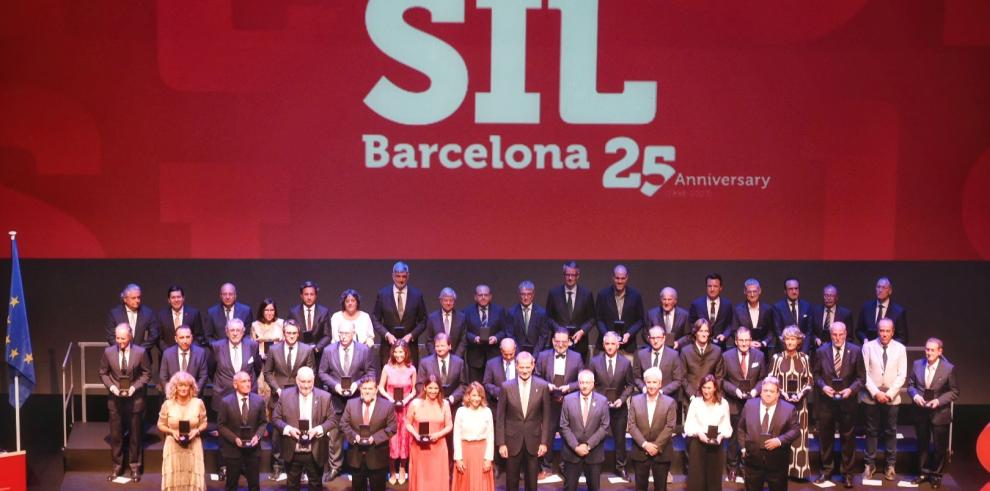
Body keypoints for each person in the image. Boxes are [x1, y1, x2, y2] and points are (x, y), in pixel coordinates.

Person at [318, 322, 377, 482]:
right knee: (335, 436)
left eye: (346, 333)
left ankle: (356, 468)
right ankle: (335, 468)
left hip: (357, 399)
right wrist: (335, 385)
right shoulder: (329, 350)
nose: (343, 336)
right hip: (335, 400)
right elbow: (322, 372)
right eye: (341, 333)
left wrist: (356, 385)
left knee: (356, 434)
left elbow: (371, 372)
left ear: (353, 333)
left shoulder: (364, 350)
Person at [812, 321, 864, 488]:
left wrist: (850, 390)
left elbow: (861, 378)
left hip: (847, 402)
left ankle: (847, 474)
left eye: (841, 334)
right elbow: (816, 375)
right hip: (826, 403)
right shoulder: (821, 351)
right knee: (825, 438)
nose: (837, 338)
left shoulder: (856, 351)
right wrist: (823, 386)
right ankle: (826, 471)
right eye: (834, 334)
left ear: (846, 333)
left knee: (848, 439)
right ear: (830, 334)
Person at [262, 320, 316, 479]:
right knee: (278, 433)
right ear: (283, 334)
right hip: (278, 395)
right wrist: (277, 389)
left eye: (294, 333)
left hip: (301, 396)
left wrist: (302, 389)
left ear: (298, 334)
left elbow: (312, 372)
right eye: (288, 333)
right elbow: (267, 372)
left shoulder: (307, 350)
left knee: (300, 429)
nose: (291, 336)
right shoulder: (274, 349)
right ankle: (277, 466)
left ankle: (301, 468)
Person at [99, 323, 151, 482]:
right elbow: (103, 373)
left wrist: (134, 388)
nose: (120, 341)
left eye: (123, 338)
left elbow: (146, 374)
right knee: (116, 436)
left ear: (130, 336)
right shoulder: (108, 352)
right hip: (115, 401)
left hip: (135, 400)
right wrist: (112, 387)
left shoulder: (141, 352)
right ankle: (117, 468)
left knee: (135, 435)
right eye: (117, 338)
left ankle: (135, 468)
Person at [272, 367, 335, 491]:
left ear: (314, 380)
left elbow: (332, 420)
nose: (306, 385)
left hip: (315, 449)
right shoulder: (285, 395)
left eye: (309, 381)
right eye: (302, 381)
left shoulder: (325, 397)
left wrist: (318, 429)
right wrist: (289, 429)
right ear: (296, 380)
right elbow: (275, 418)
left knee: (316, 485)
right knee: (292, 486)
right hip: (292, 449)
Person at [496, 351, 552, 491]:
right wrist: (501, 443)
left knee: (532, 482)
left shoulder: (543, 386)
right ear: (516, 366)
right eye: (522, 367)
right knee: (511, 481)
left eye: (528, 367)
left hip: (534, 441)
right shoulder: (506, 387)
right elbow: (500, 417)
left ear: (533, 366)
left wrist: (544, 442)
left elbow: (546, 417)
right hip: (512, 441)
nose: (525, 370)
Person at [908, 338, 959, 489]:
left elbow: (955, 391)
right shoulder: (917, 364)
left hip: (939, 413)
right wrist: (916, 396)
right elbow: (911, 385)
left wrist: (938, 401)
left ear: (940, 351)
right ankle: (923, 473)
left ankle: (936, 475)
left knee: (939, 447)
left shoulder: (949, 368)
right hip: (921, 412)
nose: (928, 352)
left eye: (932, 350)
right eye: (927, 349)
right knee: (922, 445)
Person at [860, 318, 907, 481]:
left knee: (890, 432)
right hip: (871, 398)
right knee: (871, 431)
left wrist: (889, 394)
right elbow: (863, 373)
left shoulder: (900, 349)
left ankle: (890, 465)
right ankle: (869, 464)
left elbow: (902, 374)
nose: (884, 334)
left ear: (892, 332)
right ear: (877, 331)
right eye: (881, 330)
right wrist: (876, 393)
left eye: (887, 331)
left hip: (891, 399)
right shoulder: (868, 347)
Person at [536, 328, 585, 479]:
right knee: (547, 435)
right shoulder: (543, 356)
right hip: (549, 402)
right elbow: (536, 376)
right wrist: (547, 385)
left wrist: (569, 387)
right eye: (558, 341)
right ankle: (546, 467)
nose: (561, 344)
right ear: (552, 341)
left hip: (569, 402)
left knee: (568, 436)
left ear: (569, 342)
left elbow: (582, 379)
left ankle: (566, 467)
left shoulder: (577, 357)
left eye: (564, 341)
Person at [737, 376, 801, 491]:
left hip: (777, 462)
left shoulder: (789, 409)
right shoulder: (749, 405)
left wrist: (779, 440)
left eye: (771, 391)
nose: (768, 394)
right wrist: (743, 448)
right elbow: (741, 428)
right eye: (765, 391)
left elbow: (796, 430)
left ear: (777, 393)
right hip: (753, 461)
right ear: (760, 393)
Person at [721, 326, 767, 482]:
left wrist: (755, 391)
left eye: (747, 340)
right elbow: (722, 380)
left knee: (751, 438)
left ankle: (745, 468)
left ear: (751, 340)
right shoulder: (726, 356)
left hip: (753, 403)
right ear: (735, 341)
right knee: (734, 438)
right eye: (741, 340)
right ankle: (732, 469)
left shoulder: (759, 356)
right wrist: (735, 391)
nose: (744, 343)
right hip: (734, 403)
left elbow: (762, 379)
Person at [768, 325, 813, 480]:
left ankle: (798, 472)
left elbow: (810, 381)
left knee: (799, 437)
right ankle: (781, 471)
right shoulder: (777, 358)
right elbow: (770, 381)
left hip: (800, 406)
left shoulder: (805, 358)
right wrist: (783, 393)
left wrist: (801, 393)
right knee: (782, 436)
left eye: (793, 339)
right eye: (787, 339)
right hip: (781, 404)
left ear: (798, 341)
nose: (790, 342)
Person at [589, 331, 635, 480]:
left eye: (612, 344)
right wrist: (600, 399)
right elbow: (589, 383)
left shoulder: (626, 362)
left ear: (618, 345)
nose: (609, 347)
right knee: (596, 438)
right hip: (599, 407)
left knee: (620, 440)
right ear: (603, 345)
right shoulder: (594, 361)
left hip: (619, 408)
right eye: (607, 344)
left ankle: (620, 467)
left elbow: (630, 385)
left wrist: (622, 399)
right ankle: (593, 467)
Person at [341, 375, 398, 491]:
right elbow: (343, 424)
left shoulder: (387, 406)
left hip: (377, 457)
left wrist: (374, 438)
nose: (367, 391)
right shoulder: (351, 404)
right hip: (356, 457)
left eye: (370, 389)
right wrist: (354, 436)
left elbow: (392, 427)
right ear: (360, 389)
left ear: (376, 389)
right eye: (364, 388)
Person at [559, 370, 610, 491]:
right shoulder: (568, 400)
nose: (585, 385)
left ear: (593, 383)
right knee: (569, 488)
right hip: (572, 453)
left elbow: (605, 426)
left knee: (594, 488)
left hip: (594, 453)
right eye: (582, 382)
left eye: (587, 382)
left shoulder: (602, 401)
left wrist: (588, 445)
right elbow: (563, 426)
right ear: (578, 383)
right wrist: (576, 446)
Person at [627, 367, 677, 491]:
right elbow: (631, 425)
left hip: (661, 452)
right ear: (645, 383)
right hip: (640, 451)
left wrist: (655, 446)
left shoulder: (670, 402)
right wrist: (645, 445)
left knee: (661, 488)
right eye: (648, 382)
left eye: (654, 382)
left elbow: (670, 426)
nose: (651, 385)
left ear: (660, 384)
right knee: (640, 488)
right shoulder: (635, 400)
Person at [372, 261, 428, 367]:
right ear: (393, 276)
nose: (401, 280)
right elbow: (375, 319)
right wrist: (387, 335)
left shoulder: (417, 295)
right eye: (398, 276)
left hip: (410, 347)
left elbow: (423, 320)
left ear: (408, 276)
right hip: (388, 347)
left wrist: (411, 335)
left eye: (403, 276)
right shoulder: (383, 294)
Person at [158, 371, 208, 491]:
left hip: (193, 445)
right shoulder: (167, 404)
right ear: (175, 387)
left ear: (191, 387)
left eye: (186, 385)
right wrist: (171, 431)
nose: (184, 388)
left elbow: (204, 423)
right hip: (173, 445)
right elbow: (160, 424)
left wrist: (196, 431)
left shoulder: (198, 403)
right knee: (174, 476)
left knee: (193, 477)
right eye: (181, 385)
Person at [216, 371, 265, 491]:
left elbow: (263, 423)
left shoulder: (259, 401)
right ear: (235, 384)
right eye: (244, 381)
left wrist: (257, 436)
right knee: (231, 485)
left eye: (249, 381)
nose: (248, 384)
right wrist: (235, 439)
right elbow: (221, 425)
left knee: (254, 486)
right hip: (233, 451)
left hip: (253, 451)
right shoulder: (226, 402)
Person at [684, 374, 732, 491]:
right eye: (704, 387)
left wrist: (721, 436)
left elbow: (727, 426)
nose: (706, 391)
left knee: (714, 478)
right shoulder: (695, 402)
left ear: (715, 388)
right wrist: (699, 433)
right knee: (697, 477)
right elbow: (688, 425)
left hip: (716, 442)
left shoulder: (723, 403)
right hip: (698, 442)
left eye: (709, 388)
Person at [406, 375, 454, 491]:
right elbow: (408, 423)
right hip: (419, 448)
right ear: (425, 388)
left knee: (437, 479)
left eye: (436, 388)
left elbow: (449, 426)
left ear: (439, 389)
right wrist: (416, 435)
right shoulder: (415, 403)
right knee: (421, 479)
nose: (433, 391)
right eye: (430, 388)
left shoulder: (444, 404)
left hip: (438, 448)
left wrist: (438, 435)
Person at [380, 341, 417, 484]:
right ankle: (392, 470)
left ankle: (402, 468)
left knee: (404, 438)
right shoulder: (387, 368)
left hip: (406, 408)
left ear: (406, 352)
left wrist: (407, 399)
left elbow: (414, 389)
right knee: (392, 439)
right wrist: (390, 398)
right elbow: (381, 388)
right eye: (396, 352)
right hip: (390, 409)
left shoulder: (411, 369)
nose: (399, 355)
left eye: (401, 352)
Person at [545, 261, 596, 363]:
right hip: (558, 344)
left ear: (578, 276)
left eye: (573, 275)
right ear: (564, 275)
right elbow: (547, 317)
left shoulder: (586, 294)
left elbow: (592, 318)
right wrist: (559, 331)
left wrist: (582, 331)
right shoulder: (554, 293)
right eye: (567, 275)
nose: (570, 278)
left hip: (580, 345)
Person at [210, 318, 260, 414]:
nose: (235, 333)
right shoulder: (217, 347)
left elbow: (257, 368)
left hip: (247, 395)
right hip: (223, 394)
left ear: (243, 332)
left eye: (238, 330)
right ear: (227, 332)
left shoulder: (252, 345)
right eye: (232, 330)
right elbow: (211, 369)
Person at [596, 265, 646, 358]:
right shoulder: (603, 295)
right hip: (606, 346)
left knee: (627, 372)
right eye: (617, 278)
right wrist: (607, 335)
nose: (620, 281)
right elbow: (598, 319)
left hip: (628, 347)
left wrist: (629, 333)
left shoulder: (635, 295)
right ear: (613, 277)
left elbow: (640, 320)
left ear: (627, 278)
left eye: (622, 278)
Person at [452, 382, 496, 491]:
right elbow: (456, 436)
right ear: (468, 396)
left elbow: (490, 437)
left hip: (481, 453)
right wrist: (458, 458)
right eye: (474, 395)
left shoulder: (487, 412)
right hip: (465, 452)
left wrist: (488, 459)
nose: (476, 399)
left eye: (479, 396)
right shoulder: (461, 411)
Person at [464, 284, 509, 382]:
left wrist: (496, 338)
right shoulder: (467, 311)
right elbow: (465, 332)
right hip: (475, 357)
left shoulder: (499, 310)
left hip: (494, 356)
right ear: (475, 297)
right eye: (480, 295)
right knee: (476, 387)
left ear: (490, 296)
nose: (483, 297)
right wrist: (474, 338)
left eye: (486, 295)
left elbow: (504, 330)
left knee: (493, 385)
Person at [679, 319, 725, 415]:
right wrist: (692, 396)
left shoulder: (716, 351)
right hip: (691, 398)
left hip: (711, 398)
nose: (704, 334)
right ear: (695, 333)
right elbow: (682, 377)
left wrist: (712, 394)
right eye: (701, 331)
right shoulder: (685, 351)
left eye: (706, 331)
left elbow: (719, 377)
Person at [105, 283, 158, 360]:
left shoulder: (148, 313)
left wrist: (140, 350)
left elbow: (154, 335)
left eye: (139, 297)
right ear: (125, 299)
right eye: (133, 298)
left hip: (142, 357)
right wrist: (124, 349)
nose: (137, 300)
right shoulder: (114, 314)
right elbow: (110, 336)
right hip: (120, 357)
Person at [418, 332, 468, 409]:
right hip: (431, 405)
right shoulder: (425, 363)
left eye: (442, 346)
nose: (439, 348)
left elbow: (463, 385)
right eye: (437, 346)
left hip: (453, 405)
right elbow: (419, 384)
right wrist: (432, 396)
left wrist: (452, 398)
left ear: (449, 346)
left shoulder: (459, 362)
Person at [632, 326, 684, 400]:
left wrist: (662, 391)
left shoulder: (673, 355)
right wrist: (644, 389)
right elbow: (636, 377)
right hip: (646, 398)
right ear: (649, 339)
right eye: (652, 338)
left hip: (667, 398)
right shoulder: (641, 354)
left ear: (663, 338)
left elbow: (677, 380)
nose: (655, 341)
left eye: (658, 338)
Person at [856, 276, 909, 345]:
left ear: (890, 291)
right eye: (878, 287)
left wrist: (891, 346)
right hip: (869, 350)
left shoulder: (898, 311)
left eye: (883, 287)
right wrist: (864, 339)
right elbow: (859, 330)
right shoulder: (866, 308)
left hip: (889, 353)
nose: (880, 290)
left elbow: (903, 337)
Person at [251, 298, 284, 407]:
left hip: (277, 365)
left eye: (271, 310)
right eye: (266, 310)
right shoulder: (255, 325)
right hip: (262, 365)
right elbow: (252, 346)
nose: (269, 313)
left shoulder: (281, 323)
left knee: (275, 392)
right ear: (262, 311)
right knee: (262, 392)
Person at [160, 325, 209, 395]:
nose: (185, 341)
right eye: (181, 337)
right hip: (173, 398)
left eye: (188, 337)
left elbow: (203, 376)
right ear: (176, 339)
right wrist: (172, 394)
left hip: (194, 398)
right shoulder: (167, 354)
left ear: (192, 338)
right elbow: (163, 377)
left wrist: (194, 393)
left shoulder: (200, 353)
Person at [688, 273, 734, 346]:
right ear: (706, 287)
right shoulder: (696, 304)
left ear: (720, 288)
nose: (712, 289)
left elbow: (730, 324)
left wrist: (725, 335)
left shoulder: (727, 305)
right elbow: (691, 324)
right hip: (701, 346)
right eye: (709, 286)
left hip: (720, 346)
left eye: (715, 286)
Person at [507, 281, 551, 356]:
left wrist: (534, 355)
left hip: (536, 355)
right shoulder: (511, 312)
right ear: (519, 294)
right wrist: (519, 355)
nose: (526, 297)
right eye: (523, 294)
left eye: (529, 294)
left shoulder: (541, 313)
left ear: (533, 294)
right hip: (517, 355)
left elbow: (543, 336)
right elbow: (510, 335)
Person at [730, 279, 775, 351]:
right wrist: (748, 342)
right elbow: (733, 331)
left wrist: (763, 343)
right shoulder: (738, 310)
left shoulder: (768, 309)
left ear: (760, 291)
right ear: (745, 292)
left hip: (762, 350)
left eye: (754, 291)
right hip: (742, 350)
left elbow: (771, 331)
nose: (752, 294)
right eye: (749, 292)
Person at [287, 280, 332, 352]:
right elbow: (289, 333)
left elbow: (327, 335)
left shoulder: (324, 312)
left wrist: (317, 348)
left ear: (316, 295)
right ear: (301, 296)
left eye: (312, 294)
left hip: (318, 354)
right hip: (298, 353)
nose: (309, 297)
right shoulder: (293, 313)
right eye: (306, 294)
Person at [806, 285, 854, 352]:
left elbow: (849, 337)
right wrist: (815, 339)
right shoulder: (814, 311)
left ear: (836, 297)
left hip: (837, 352)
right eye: (826, 295)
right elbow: (809, 331)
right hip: (818, 351)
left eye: (831, 296)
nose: (828, 298)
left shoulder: (845, 314)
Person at [157, 285, 205, 350]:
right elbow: (159, 339)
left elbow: (199, 337)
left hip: (190, 356)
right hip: (168, 357)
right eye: (173, 297)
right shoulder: (161, 316)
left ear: (183, 298)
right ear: (169, 300)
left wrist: (190, 350)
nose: (176, 300)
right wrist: (169, 353)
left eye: (178, 297)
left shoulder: (194, 314)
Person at [424, 287, 467, 357]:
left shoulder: (461, 317)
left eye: (451, 300)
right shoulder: (432, 318)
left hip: (456, 359)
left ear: (454, 301)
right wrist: (436, 356)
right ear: (441, 301)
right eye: (446, 300)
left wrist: (455, 359)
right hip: (436, 359)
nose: (448, 303)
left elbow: (463, 341)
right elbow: (429, 341)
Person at [772, 278, 811, 351]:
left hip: (802, 351)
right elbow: (778, 332)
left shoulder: (807, 306)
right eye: (790, 289)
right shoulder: (777, 307)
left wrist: (804, 351)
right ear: (785, 291)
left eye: (796, 288)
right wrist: (788, 352)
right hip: (784, 351)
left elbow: (809, 331)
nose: (794, 292)